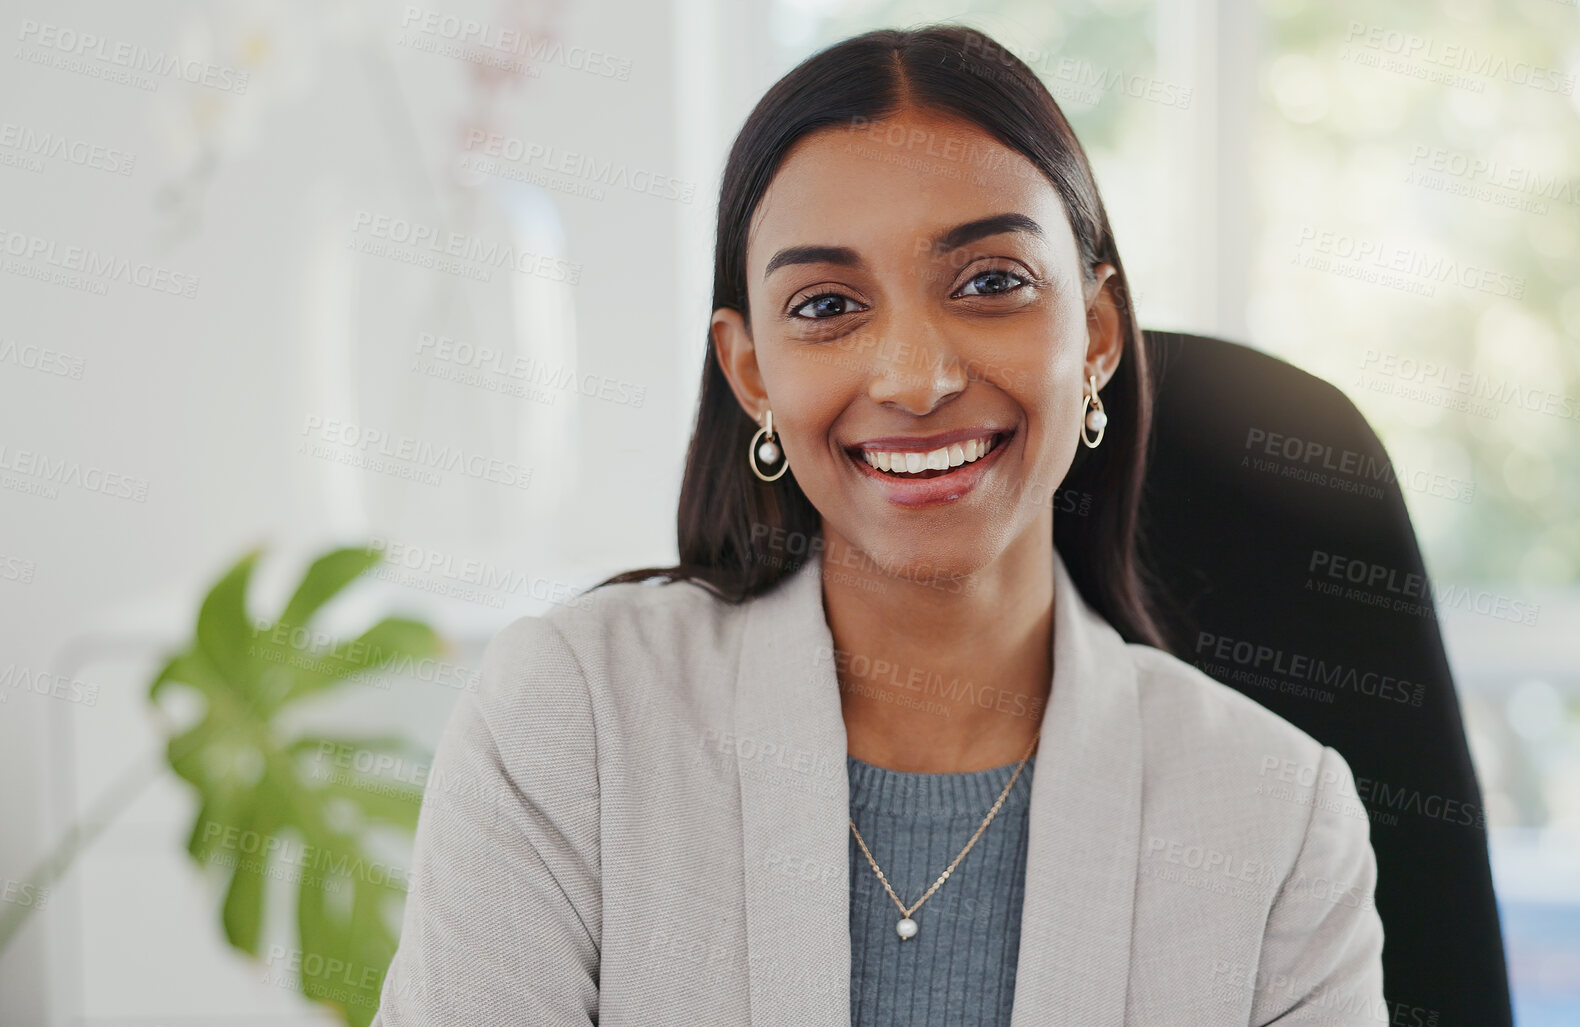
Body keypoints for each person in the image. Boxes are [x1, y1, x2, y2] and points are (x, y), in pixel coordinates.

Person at [375, 23, 1385, 1026]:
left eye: (991, 282)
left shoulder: (1275, 817)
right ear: (752, 372)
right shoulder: (574, 721)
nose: (916, 378)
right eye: (826, 305)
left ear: (1097, 336)